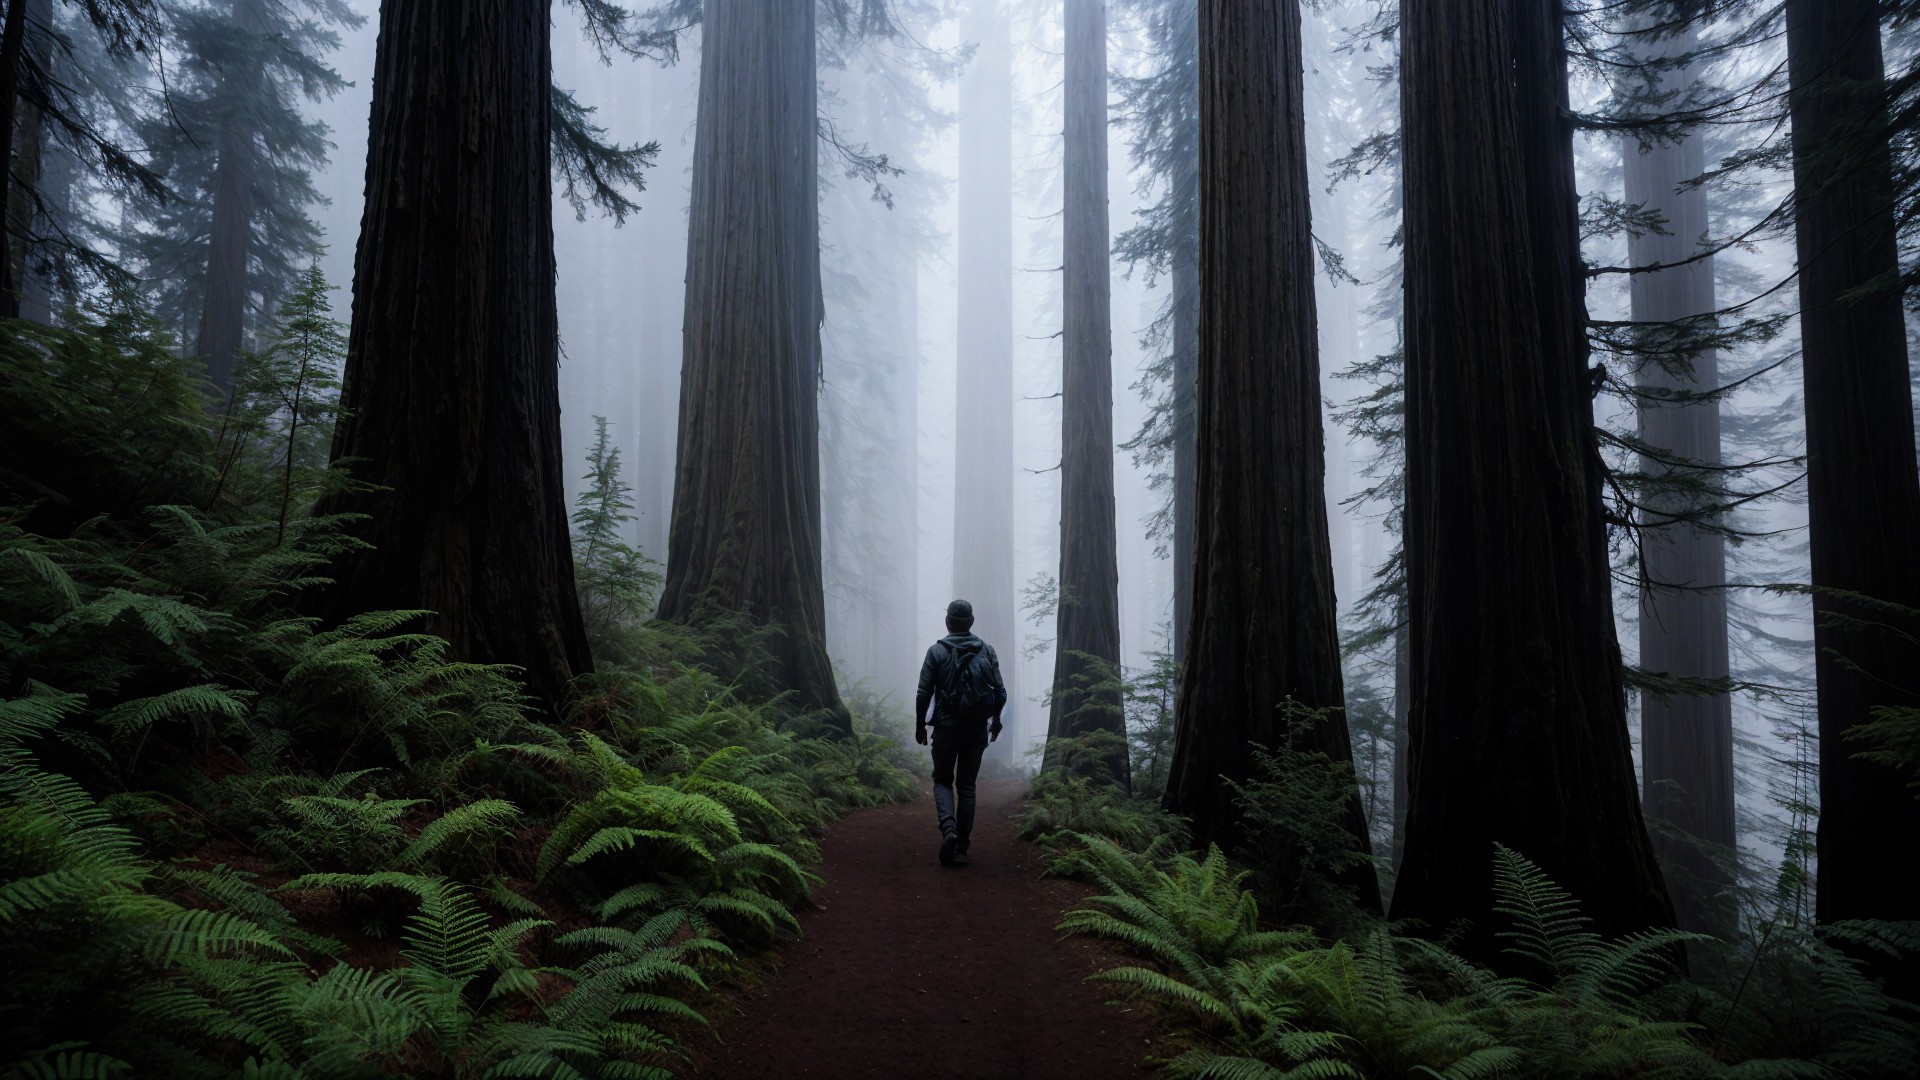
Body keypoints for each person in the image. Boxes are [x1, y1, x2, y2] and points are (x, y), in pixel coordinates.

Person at [914, 599, 1007, 867]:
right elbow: (1000, 692)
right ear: (971, 623)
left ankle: (949, 830)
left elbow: (924, 692)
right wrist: (996, 721)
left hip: (945, 728)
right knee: (967, 787)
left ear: (948, 622)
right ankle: (962, 849)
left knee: (942, 779)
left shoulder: (936, 651)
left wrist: (921, 724)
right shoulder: (987, 651)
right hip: (976, 729)